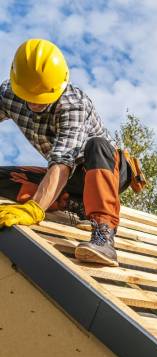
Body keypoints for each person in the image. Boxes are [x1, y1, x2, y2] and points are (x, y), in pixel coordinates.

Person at [0, 38, 130, 266]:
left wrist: (34, 210)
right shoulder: (8, 94)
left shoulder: (73, 105)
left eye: (42, 99)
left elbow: (62, 163)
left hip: (104, 171)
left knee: (97, 145)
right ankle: (74, 205)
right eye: (30, 98)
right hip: (67, 181)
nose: (36, 105)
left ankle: (103, 236)